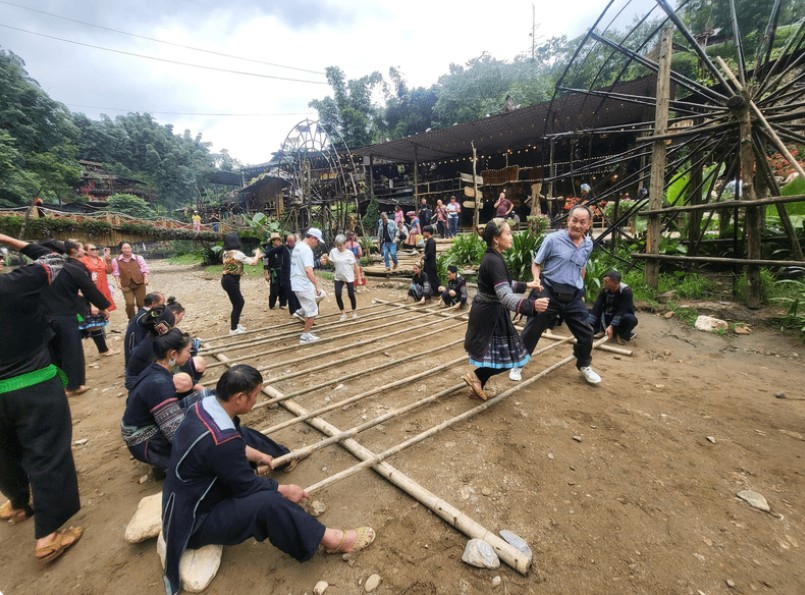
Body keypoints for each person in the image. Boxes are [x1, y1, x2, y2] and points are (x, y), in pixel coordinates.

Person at [161, 364, 376, 595]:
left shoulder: (204, 405)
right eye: (255, 395)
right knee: (267, 502)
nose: (256, 400)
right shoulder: (223, 441)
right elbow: (246, 487)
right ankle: (330, 539)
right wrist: (283, 489)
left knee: (244, 437)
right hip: (194, 520)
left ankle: (282, 457)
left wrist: (256, 454)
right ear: (240, 397)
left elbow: (223, 445)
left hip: (186, 495)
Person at [0, 233, 84, 563]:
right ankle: (48, 534)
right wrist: (8, 238)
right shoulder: (16, 284)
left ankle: (18, 504)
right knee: (47, 453)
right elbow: (52, 259)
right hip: (32, 383)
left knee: (4, 451)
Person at [122, 332, 287, 475]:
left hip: (151, 428)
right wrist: (216, 438)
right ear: (172, 354)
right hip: (149, 442)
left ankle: (242, 442)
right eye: (187, 351)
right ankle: (278, 456)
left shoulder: (158, 370)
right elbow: (178, 436)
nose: (190, 355)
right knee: (218, 435)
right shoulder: (159, 385)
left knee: (214, 398)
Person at [510, 205, 601, 385]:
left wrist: (580, 288)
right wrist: (536, 281)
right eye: (574, 220)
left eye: (582, 222)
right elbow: (536, 264)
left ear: (589, 224)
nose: (577, 225)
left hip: (573, 295)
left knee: (586, 332)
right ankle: (517, 364)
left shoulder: (589, 244)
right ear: (568, 220)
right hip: (549, 290)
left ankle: (584, 365)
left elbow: (581, 267)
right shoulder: (552, 240)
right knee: (532, 329)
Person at [463, 219, 546, 400]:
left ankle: (476, 386)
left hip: (489, 312)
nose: (511, 237)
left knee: (493, 354)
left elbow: (506, 284)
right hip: (489, 314)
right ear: (495, 238)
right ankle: (477, 376)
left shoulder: (493, 257)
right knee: (510, 358)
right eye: (508, 233)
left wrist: (529, 284)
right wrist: (531, 306)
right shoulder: (494, 260)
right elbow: (506, 296)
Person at [42, 239, 111, 397]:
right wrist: (102, 307)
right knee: (72, 352)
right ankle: (74, 386)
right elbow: (89, 289)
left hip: (43, 318)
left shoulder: (32, 271)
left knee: (52, 353)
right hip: (65, 316)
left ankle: (58, 385)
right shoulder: (70, 269)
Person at [80, 243, 119, 358]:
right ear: (86, 251)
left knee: (101, 317)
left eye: (97, 249)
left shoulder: (100, 260)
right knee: (94, 319)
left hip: (103, 290)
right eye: (93, 249)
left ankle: (102, 343)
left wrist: (107, 260)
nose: (96, 251)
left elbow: (109, 271)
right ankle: (102, 346)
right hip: (91, 291)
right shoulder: (83, 261)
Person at [221, 233, 263, 335]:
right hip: (231, 281)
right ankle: (233, 329)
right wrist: (257, 254)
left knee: (236, 303)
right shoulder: (236, 253)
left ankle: (236, 324)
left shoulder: (226, 252)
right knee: (239, 303)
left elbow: (243, 259)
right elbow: (253, 263)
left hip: (227, 280)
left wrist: (256, 257)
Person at [291, 227, 325, 344]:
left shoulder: (298, 247)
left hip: (296, 283)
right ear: (312, 238)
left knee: (322, 295)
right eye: (317, 241)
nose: (317, 244)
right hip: (303, 285)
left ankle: (301, 311)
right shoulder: (307, 250)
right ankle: (305, 335)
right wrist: (316, 285)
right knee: (312, 311)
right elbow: (308, 270)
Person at [588, 269, 638, 345]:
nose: (603, 283)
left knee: (631, 319)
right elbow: (597, 306)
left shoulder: (626, 291)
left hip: (621, 317)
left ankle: (619, 333)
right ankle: (602, 330)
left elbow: (622, 310)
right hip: (607, 316)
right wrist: (589, 324)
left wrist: (612, 326)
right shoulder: (604, 290)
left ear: (615, 283)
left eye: (606, 282)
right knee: (584, 312)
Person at [321, 234, 359, 321]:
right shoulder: (333, 251)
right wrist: (326, 259)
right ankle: (343, 313)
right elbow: (331, 263)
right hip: (338, 276)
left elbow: (355, 266)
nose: (339, 247)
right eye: (337, 245)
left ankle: (354, 312)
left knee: (351, 294)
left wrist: (358, 278)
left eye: (340, 245)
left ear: (344, 244)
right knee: (338, 294)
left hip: (349, 276)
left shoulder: (349, 254)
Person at [124, 291, 166, 366]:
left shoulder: (145, 313)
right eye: (161, 304)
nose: (163, 307)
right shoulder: (144, 317)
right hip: (136, 353)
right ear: (153, 304)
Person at [111, 242, 150, 320]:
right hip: (126, 284)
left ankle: (142, 319)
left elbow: (144, 268)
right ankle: (131, 319)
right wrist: (118, 282)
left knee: (141, 303)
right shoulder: (116, 260)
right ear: (121, 249)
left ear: (131, 248)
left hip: (139, 283)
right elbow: (116, 272)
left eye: (128, 248)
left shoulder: (138, 258)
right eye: (124, 248)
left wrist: (146, 278)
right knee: (130, 304)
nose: (127, 250)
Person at [263, 232, 288, 310]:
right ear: (273, 241)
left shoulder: (282, 249)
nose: (279, 241)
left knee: (283, 288)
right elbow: (265, 262)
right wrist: (266, 273)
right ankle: (272, 304)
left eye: (279, 240)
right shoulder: (268, 250)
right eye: (277, 240)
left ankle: (283, 304)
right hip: (274, 272)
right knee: (274, 289)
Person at [284, 234, 302, 316]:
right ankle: (292, 311)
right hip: (280, 273)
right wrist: (266, 269)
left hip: (295, 273)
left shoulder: (299, 249)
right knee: (288, 292)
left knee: (296, 292)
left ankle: (298, 310)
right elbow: (267, 257)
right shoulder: (283, 248)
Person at [422, 225, 440, 293]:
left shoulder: (432, 241)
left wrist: (425, 256)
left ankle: (438, 292)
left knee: (433, 278)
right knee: (427, 277)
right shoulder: (429, 241)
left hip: (431, 263)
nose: (423, 233)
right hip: (428, 263)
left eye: (424, 232)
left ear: (428, 232)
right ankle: (431, 291)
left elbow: (431, 253)